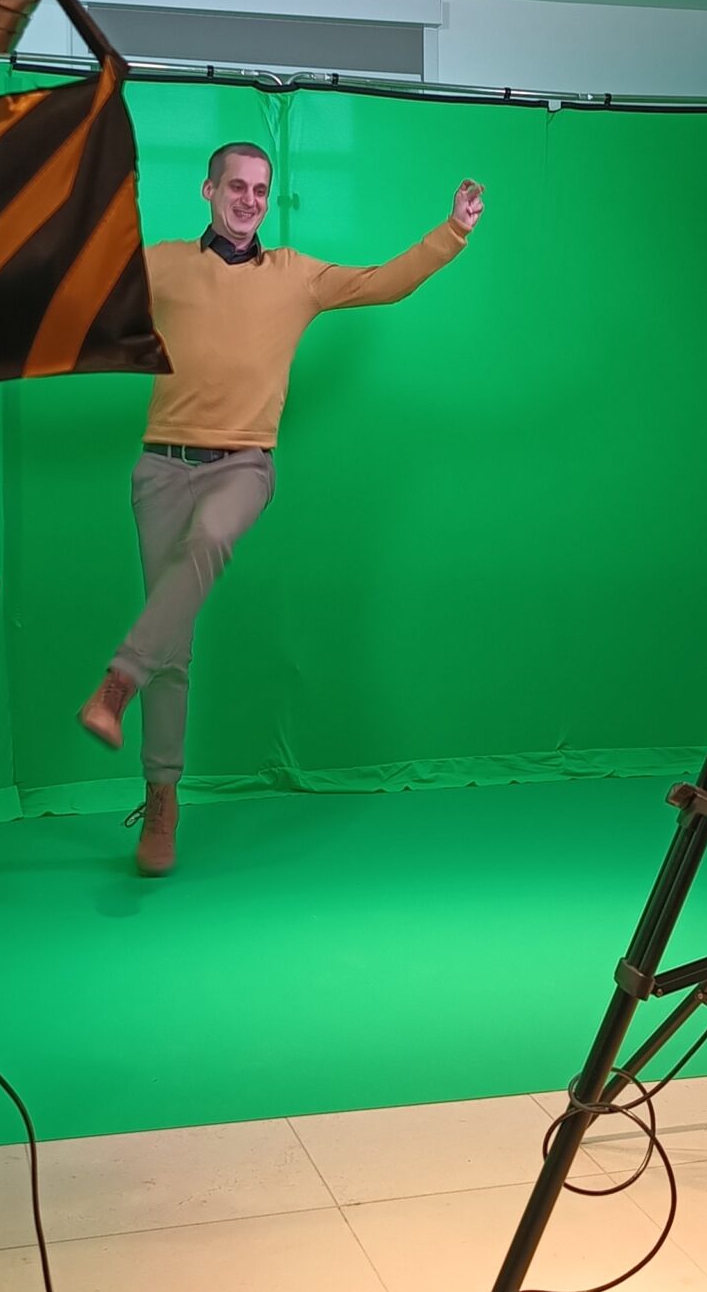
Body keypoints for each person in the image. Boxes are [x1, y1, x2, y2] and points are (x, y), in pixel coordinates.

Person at [80, 141, 484, 875]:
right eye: (236, 186)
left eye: (261, 190)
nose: (249, 200)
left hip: (243, 466)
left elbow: (385, 282)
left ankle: (117, 682)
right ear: (208, 191)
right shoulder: (163, 264)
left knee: (211, 539)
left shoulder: (296, 276)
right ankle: (162, 800)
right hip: (160, 468)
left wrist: (452, 230)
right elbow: (83, 288)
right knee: (173, 642)